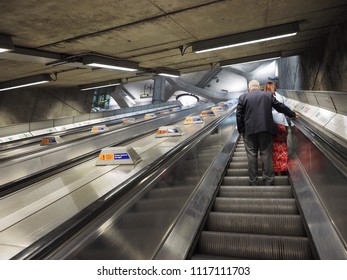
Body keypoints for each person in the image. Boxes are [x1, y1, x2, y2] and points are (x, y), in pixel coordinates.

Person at [236, 80, 298, 186]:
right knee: (266, 154)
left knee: (251, 156)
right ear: (258, 87)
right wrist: (291, 114)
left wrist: (241, 129)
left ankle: (253, 181)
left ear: (249, 87)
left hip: (249, 131)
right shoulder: (267, 95)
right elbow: (280, 106)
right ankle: (269, 180)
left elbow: (239, 115)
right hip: (266, 130)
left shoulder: (243, 97)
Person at [265, 82, 291, 175]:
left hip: (269, 126)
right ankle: (282, 168)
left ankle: (274, 168)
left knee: (272, 147)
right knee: (282, 146)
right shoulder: (281, 97)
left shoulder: (264, 97)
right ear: (275, 87)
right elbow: (286, 108)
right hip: (281, 124)